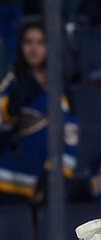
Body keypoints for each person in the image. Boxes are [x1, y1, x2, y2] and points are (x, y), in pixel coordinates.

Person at [0, 22, 79, 204]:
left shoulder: (60, 87)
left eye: (41, 42)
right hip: (8, 180)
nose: (34, 48)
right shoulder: (12, 81)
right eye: (28, 42)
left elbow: (70, 134)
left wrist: (55, 173)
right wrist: (11, 104)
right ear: (20, 46)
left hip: (47, 180)